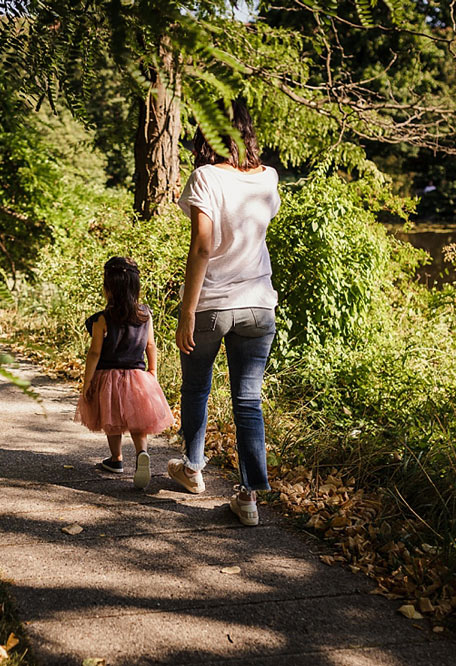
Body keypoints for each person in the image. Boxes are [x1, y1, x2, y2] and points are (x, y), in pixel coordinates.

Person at [168, 97, 280, 526]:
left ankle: (193, 469)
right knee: (248, 400)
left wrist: (186, 311)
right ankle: (249, 498)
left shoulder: (205, 177)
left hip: (212, 303)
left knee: (197, 388)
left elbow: (202, 245)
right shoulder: (268, 178)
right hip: (258, 304)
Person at [75, 257, 175, 489]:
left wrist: (87, 383)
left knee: (112, 419)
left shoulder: (102, 319)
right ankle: (142, 453)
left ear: (108, 287)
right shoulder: (145, 315)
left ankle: (116, 459)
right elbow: (151, 345)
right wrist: (152, 371)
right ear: (135, 287)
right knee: (138, 420)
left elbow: (94, 353)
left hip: (108, 377)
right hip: (138, 377)